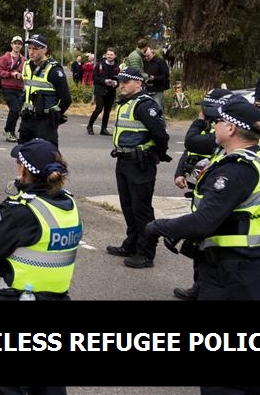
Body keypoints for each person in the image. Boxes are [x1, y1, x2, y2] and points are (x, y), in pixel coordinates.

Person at [146, 96, 260, 304]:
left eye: (218, 122)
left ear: (230, 129)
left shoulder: (237, 169)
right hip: (258, 265)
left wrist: (158, 227)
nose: (214, 126)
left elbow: (204, 221)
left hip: (232, 273)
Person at [0, 138, 81, 302]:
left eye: (18, 161)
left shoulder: (23, 211)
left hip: (18, 296)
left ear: (24, 170)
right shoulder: (69, 204)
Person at [105, 66, 171, 269]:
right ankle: (132, 243)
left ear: (138, 83)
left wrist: (155, 154)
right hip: (124, 161)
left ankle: (146, 253)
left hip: (140, 163)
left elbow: (161, 134)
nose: (121, 85)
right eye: (120, 81)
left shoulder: (144, 105)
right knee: (128, 206)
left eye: (126, 81)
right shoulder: (127, 103)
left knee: (141, 209)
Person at [171, 88, 233, 301]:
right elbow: (189, 152)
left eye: (205, 109)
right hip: (201, 192)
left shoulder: (224, 132)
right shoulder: (213, 127)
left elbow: (192, 142)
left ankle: (209, 290)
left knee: (214, 248)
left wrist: (198, 122)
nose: (202, 112)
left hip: (217, 196)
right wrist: (180, 172)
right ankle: (198, 287)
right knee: (201, 246)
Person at [19, 34, 71, 146]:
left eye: (35, 48)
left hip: (45, 121)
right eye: (30, 48)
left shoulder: (54, 70)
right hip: (27, 119)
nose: (31, 52)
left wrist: (55, 115)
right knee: (23, 157)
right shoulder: (26, 65)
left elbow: (66, 99)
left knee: (46, 157)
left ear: (44, 50)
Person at [0, 35, 26, 142]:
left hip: (20, 88)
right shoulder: (5, 58)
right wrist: (10, 74)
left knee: (17, 111)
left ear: (21, 46)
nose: (17, 46)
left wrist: (22, 75)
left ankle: (11, 131)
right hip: (8, 87)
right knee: (15, 108)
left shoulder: (24, 60)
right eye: (15, 43)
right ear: (11, 45)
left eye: (19, 44)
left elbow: (26, 73)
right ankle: (8, 130)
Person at [87, 47, 120, 136]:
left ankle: (103, 128)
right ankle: (90, 126)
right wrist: (104, 81)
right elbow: (94, 77)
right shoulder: (100, 64)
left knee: (107, 111)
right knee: (99, 108)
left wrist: (115, 83)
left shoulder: (117, 67)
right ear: (106, 55)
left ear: (115, 56)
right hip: (100, 90)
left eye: (111, 55)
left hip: (111, 91)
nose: (109, 56)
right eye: (108, 54)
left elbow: (119, 79)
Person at [144, 47, 170, 112]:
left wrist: (155, 78)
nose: (147, 58)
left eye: (148, 56)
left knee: (158, 108)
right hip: (147, 89)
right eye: (145, 56)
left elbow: (166, 75)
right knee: (147, 109)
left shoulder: (160, 61)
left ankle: (160, 121)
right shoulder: (144, 62)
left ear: (153, 53)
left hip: (157, 89)